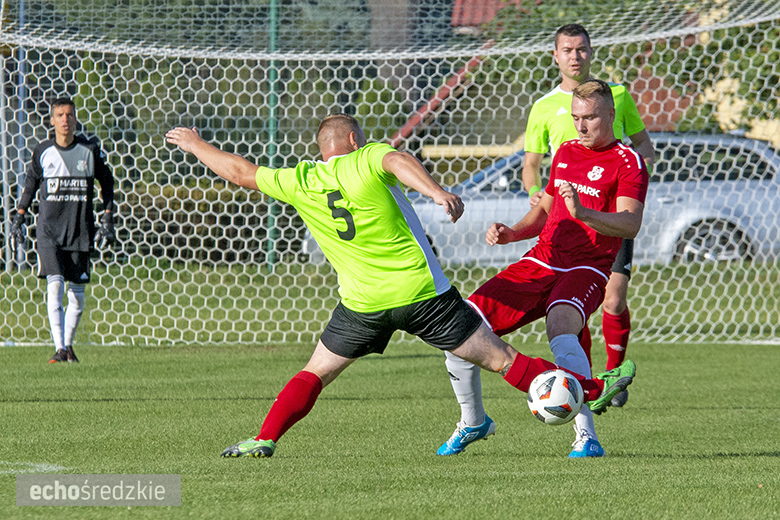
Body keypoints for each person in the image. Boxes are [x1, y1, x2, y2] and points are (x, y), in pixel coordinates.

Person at [165, 114, 635, 458]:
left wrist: (197, 144)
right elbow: (396, 159)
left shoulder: (300, 180)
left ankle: (264, 437)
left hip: (362, 305)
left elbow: (240, 171)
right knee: (502, 359)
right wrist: (435, 192)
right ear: (353, 140)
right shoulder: (367, 158)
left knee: (316, 372)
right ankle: (591, 388)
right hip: (423, 296)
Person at [439, 79, 648, 459]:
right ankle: (472, 421)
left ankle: (587, 438)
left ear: (611, 116)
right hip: (540, 260)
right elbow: (547, 208)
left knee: (561, 329)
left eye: (590, 118)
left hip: (586, 267)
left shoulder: (627, 161)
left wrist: (584, 213)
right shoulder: (567, 151)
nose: (581, 127)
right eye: (576, 118)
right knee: (461, 326)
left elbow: (630, 223)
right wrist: (512, 232)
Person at [523, 23, 655, 400]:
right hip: (565, 220)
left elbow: (643, 145)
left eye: (581, 49)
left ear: (591, 52)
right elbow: (531, 164)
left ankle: (613, 378)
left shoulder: (616, 96)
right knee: (570, 309)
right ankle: (585, 380)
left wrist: (631, 180)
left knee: (614, 298)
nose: (575, 57)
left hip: (608, 217)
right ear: (556, 55)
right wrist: (537, 193)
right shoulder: (544, 107)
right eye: (567, 50)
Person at [10, 97, 115, 364]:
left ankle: (68, 347)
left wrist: (107, 217)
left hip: (80, 229)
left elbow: (107, 181)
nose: (65, 120)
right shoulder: (43, 150)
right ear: (52, 120)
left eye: (69, 114)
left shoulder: (89, 150)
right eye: (60, 115)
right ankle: (59, 348)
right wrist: (19, 217)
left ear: (75, 118)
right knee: (54, 286)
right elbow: (31, 183)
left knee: (77, 293)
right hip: (49, 231)